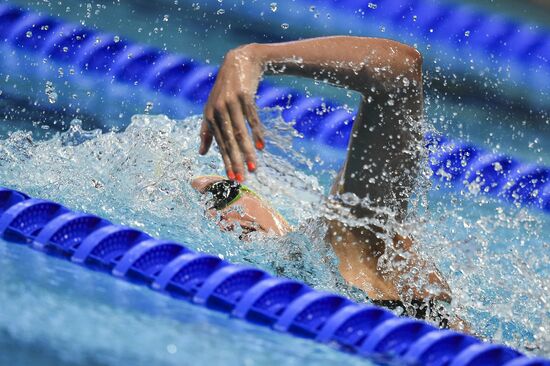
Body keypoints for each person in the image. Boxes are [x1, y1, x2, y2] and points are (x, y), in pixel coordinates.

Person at [193, 36, 464, 330]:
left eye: (224, 195)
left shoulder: (345, 239)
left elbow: (399, 71)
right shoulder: (307, 270)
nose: (223, 220)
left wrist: (253, 56)